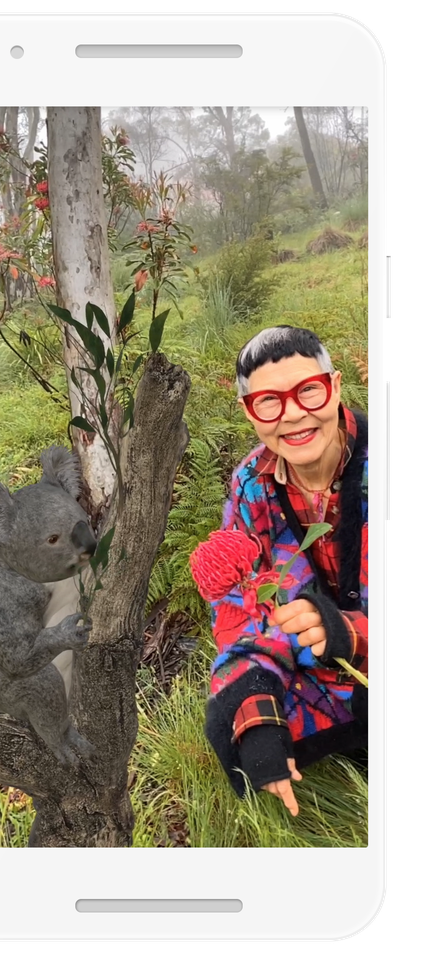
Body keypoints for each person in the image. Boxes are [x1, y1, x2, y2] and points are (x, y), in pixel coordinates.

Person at [201, 325, 368, 817]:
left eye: (308, 390)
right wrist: (256, 711)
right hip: (324, 665)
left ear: (335, 386)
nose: (293, 414)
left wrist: (349, 632)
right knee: (240, 716)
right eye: (269, 402)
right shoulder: (251, 484)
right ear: (249, 413)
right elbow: (240, 613)